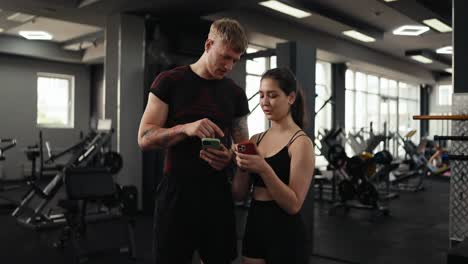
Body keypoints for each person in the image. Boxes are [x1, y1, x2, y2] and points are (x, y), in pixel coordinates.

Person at [137, 18, 250, 264]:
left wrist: (232, 156)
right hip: (177, 192)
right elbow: (144, 138)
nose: (229, 66)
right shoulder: (169, 81)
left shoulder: (235, 94)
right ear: (208, 44)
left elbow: (244, 145)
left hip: (217, 193)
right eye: (225, 57)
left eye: (235, 60)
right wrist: (185, 129)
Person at [232, 68, 315, 264]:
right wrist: (241, 164)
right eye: (261, 95)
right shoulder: (255, 140)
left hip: (285, 230)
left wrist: (262, 168)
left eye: (272, 95)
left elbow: (293, 204)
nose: (264, 102)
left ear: (291, 98)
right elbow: (238, 194)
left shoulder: (300, 143)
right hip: (255, 222)